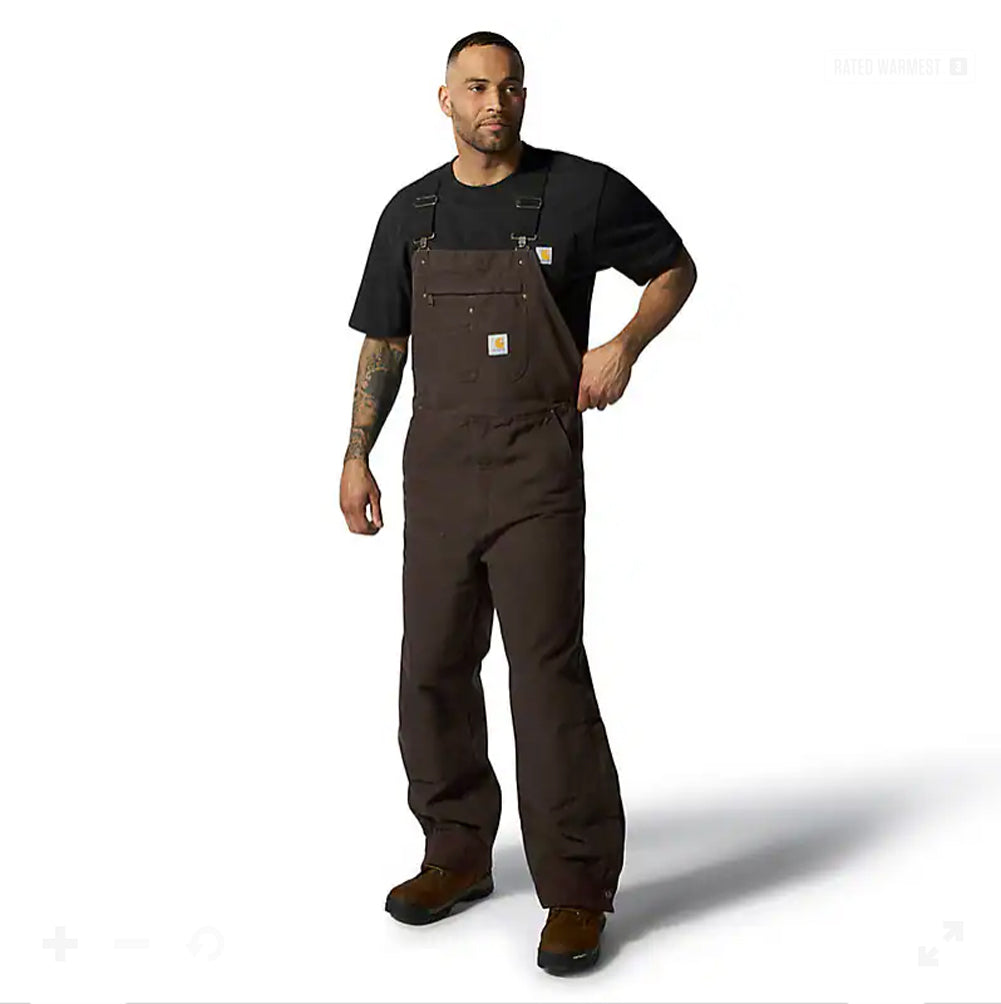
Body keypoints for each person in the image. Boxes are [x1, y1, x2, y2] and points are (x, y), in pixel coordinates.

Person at [340, 31, 697, 975]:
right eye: (474, 88)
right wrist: (355, 454)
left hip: (536, 467)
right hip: (436, 471)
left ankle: (576, 889)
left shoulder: (580, 192)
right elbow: (385, 342)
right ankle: (454, 854)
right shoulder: (410, 212)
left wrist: (622, 345)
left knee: (545, 675)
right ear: (445, 100)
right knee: (431, 665)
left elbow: (674, 267)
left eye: (507, 88)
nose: (492, 103)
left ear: (523, 97)